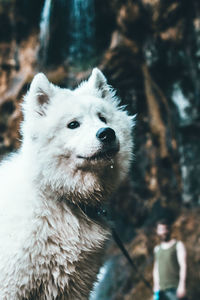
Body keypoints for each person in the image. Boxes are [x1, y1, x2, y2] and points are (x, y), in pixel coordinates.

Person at [153, 219, 187, 300]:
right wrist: (156, 287)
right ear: (157, 232)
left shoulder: (178, 245)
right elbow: (156, 269)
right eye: (160, 230)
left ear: (169, 230)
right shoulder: (157, 249)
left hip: (175, 289)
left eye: (165, 229)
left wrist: (182, 285)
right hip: (161, 292)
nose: (163, 232)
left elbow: (183, 265)